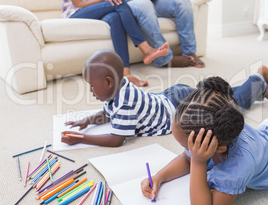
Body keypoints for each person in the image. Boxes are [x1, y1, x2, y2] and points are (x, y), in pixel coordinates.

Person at [61, 49, 268, 148]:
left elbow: (116, 139)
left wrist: (82, 138)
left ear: (108, 82)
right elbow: (108, 113)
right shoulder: (119, 87)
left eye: (92, 86)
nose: (90, 91)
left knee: (225, 108)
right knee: (216, 97)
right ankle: (259, 86)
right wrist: (86, 121)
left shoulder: (125, 102)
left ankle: (257, 79)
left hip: (179, 107)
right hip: (170, 96)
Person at [141, 76, 268, 205]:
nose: (187, 151)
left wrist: (199, 161)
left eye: (188, 147)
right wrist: (159, 177)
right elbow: (186, 159)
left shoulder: (239, 165)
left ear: (220, 148)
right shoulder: (224, 128)